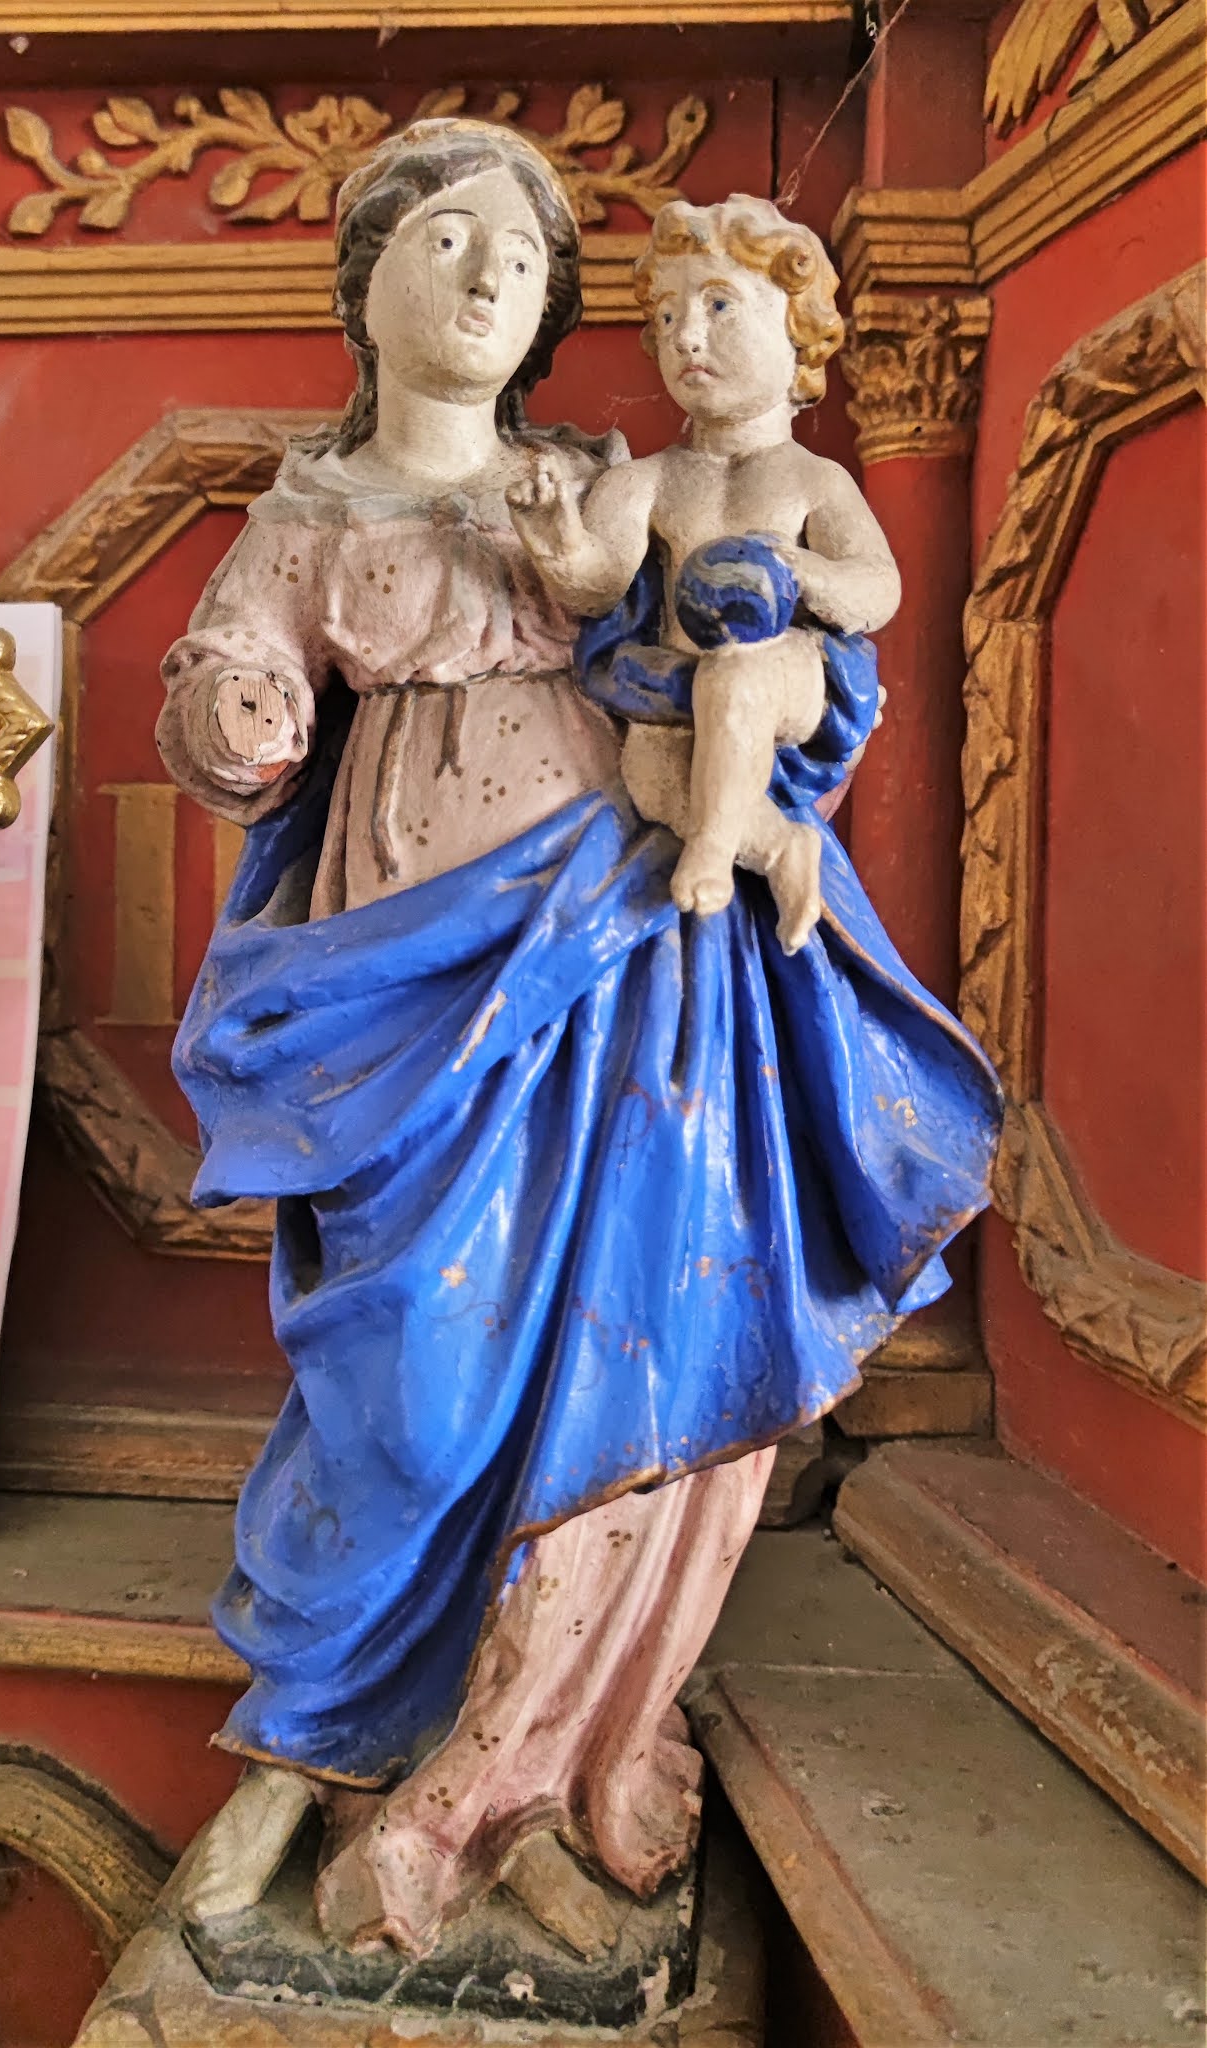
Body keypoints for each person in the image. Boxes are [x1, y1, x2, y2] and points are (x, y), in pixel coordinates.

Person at [157, 119, 1001, 1967]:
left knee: (623, 1356)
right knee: (403, 1389)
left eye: (524, 258)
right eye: (447, 240)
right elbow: (239, 691)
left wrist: (754, 741)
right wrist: (236, 711)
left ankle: (521, 1778)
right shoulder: (307, 513)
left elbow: (773, 653)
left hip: (625, 971)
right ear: (364, 281)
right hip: (399, 999)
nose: (486, 278)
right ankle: (305, 1747)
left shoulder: (605, 483)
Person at [508, 194, 896, 953]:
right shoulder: (644, 482)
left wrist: (797, 570)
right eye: (667, 317)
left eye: (719, 306)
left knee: (737, 678)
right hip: (674, 692)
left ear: (797, 330)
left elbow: (878, 587)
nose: (686, 335)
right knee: (651, 776)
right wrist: (557, 538)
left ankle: (716, 847)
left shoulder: (814, 482)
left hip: (789, 674)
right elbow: (599, 582)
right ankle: (777, 845)